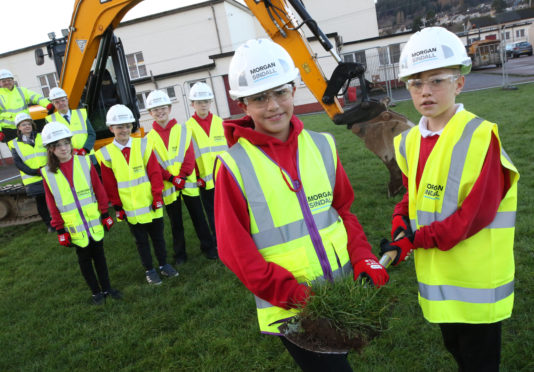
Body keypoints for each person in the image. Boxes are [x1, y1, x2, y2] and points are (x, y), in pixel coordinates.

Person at [214, 38, 389, 372]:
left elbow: (344, 212)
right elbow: (236, 251)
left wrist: (364, 257)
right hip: (292, 309)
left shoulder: (323, 145)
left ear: (294, 89)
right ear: (243, 105)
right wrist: (298, 296)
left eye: (280, 92)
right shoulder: (232, 166)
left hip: (341, 293)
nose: (273, 106)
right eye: (259, 98)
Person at [379, 27, 519, 371]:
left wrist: (417, 239)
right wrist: (401, 227)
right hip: (439, 277)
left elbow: (476, 214)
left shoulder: (480, 135)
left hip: (476, 280)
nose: (425, 91)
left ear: (459, 83)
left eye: (436, 81)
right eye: (415, 83)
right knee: (455, 349)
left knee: (479, 361)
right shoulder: (409, 141)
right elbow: (409, 198)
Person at [40, 121, 122, 305]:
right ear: (51, 149)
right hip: (74, 226)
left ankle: (107, 288)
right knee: (84, 259)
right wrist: (60, 230)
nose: (64, 148)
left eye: (66, 143)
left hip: (93, 220)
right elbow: (51, 203)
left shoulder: (84, 162)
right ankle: (96, 293)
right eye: (58, 145)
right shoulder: (48, 173)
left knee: (99, 256)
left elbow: (99, 189)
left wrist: (105, 213)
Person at [95, 104, 178, 285]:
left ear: (132, 126)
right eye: (119, 127)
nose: (124, 130)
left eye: (127, 126)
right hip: (130, 207)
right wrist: (117, 206)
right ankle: (150, 269)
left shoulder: (143, 145)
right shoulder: (106, 154)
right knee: (141, 241)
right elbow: (109, 184)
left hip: (151, 202)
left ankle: (163, 264)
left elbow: (155, 173)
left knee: (158, 236)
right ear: (111, 129)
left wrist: (157, 197)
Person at [145, 90, 217, 265]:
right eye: (155, 110)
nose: (160, 112)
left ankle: (208, 247)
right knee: (175, 222)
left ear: (169, 108)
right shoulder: (148, 139)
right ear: (150, 113)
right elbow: (154, 165)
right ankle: (180, 254)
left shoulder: (184, 129)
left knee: (198, 217)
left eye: (163, 108)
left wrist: (182, 176)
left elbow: (190, 155)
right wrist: (172, 178)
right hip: (169, 185)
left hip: (188, 183)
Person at [185, 82, 228, 245]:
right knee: (212, 212)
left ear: (211, 102)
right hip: (204, 179)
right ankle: (220, 242)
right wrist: (196, 177)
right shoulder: (187, 128)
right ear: (192, 104)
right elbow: (188, 156)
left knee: (229, 210)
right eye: (199, 102)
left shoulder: (220, 122)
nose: (203, 105)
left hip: (224, 176)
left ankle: (233, 237)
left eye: (206, 101)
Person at [8, 113, 51, 232]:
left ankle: (61, 220)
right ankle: (49, 225)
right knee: (41, 202)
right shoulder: (14, 144)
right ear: (19, 128)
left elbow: (51, 152)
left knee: (57, 199)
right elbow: (18, 163)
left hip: (49, 173)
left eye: (29, 124)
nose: (27, 126)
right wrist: (34, 172)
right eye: (23, 124)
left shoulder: (43, 136)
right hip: (33, 178)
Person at [0, 69, 54, 143]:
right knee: (18, 152)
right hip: (9, 131)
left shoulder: (22, 91)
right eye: (3, 81)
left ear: (13, 81)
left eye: (9, 80)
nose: (7, 83)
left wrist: (47, 104)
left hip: (25, 127)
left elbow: (36, 97)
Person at [45, 87, 96, 156]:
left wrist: (85, 149)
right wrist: (70, 150)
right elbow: (53, 141)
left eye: (63, 100)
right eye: (57, 102)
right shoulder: (50, 120)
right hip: (68, 156)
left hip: (89, 155)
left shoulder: (81, 113)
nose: (60, 103)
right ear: (53, 104)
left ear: (67, 100)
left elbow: (91, 134)